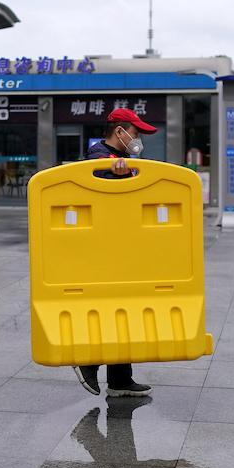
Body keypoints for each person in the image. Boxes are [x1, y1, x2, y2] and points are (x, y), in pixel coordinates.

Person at [73, 108, 156, 398]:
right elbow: (100, 197)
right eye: (135, 133)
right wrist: (115, 174)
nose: (138, 139)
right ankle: (88, 362)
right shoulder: (99, 159)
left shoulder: (121, 161)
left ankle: (120, 377)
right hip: (105, 249)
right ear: (119, 131)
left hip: (123, 246)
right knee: (112, 308)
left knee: (125, 309)